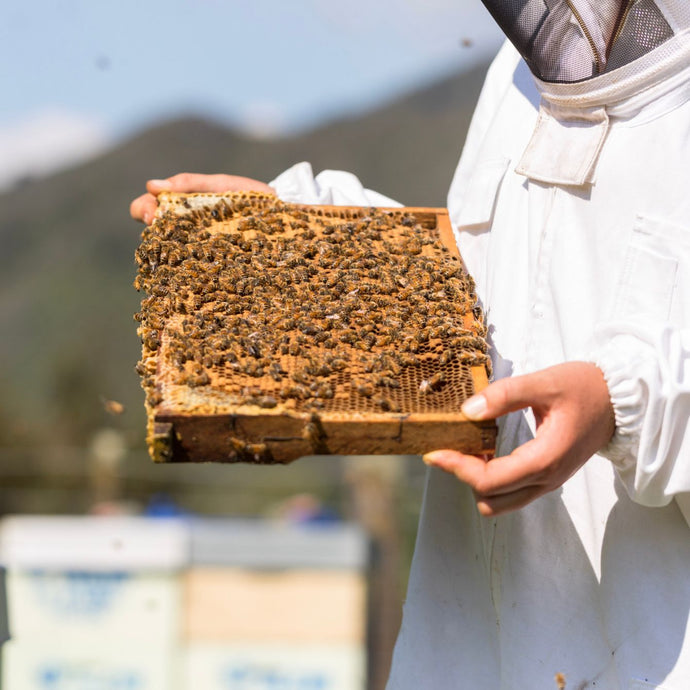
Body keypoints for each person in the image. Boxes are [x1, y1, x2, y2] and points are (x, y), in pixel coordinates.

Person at [132, 1, 690, 686]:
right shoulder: (512, 82)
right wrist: (303, 238)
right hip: (461, 650)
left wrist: (619, 406)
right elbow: (478, 304)